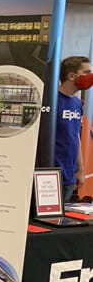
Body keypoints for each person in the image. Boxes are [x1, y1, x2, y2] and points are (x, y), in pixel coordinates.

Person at [55, 56, 91, 203]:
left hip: (69, 177)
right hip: (49, 176)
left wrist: (80, 169)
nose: (90, 76)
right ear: (71, 76)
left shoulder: (76, 103)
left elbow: (75, 136)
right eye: (86, 72)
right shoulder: (52, 100)